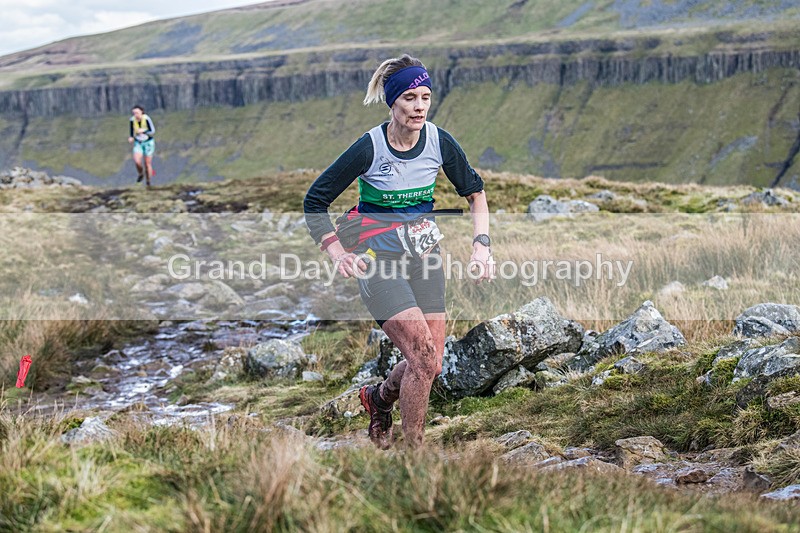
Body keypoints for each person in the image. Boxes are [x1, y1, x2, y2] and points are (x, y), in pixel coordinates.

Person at [304, 54, 494, 449]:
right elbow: (314, 202)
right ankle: (415, 457)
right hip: (377, 259)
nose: (419, 106)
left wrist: (481, 247)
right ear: (393, 102)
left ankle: (377, 399)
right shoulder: (370, 147)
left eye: (425, 96)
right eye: (409, 97)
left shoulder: (439, 141)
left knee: (431, 364)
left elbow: (475, 195)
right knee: (423, 355)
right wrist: (338, 253)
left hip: (425, 255)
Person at [128, 105, 156, 186]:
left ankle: (148, 182)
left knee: (147, 164)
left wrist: (144, 131)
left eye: (137, 112)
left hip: (148, 142)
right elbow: (131, 130)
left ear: (141, 112)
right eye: (134, 113)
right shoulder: (132, 120)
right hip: (138, 142)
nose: (135, 114)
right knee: (137, 161)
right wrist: (131, 137)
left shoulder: (146, 119)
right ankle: (141, 173)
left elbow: (152, 131)